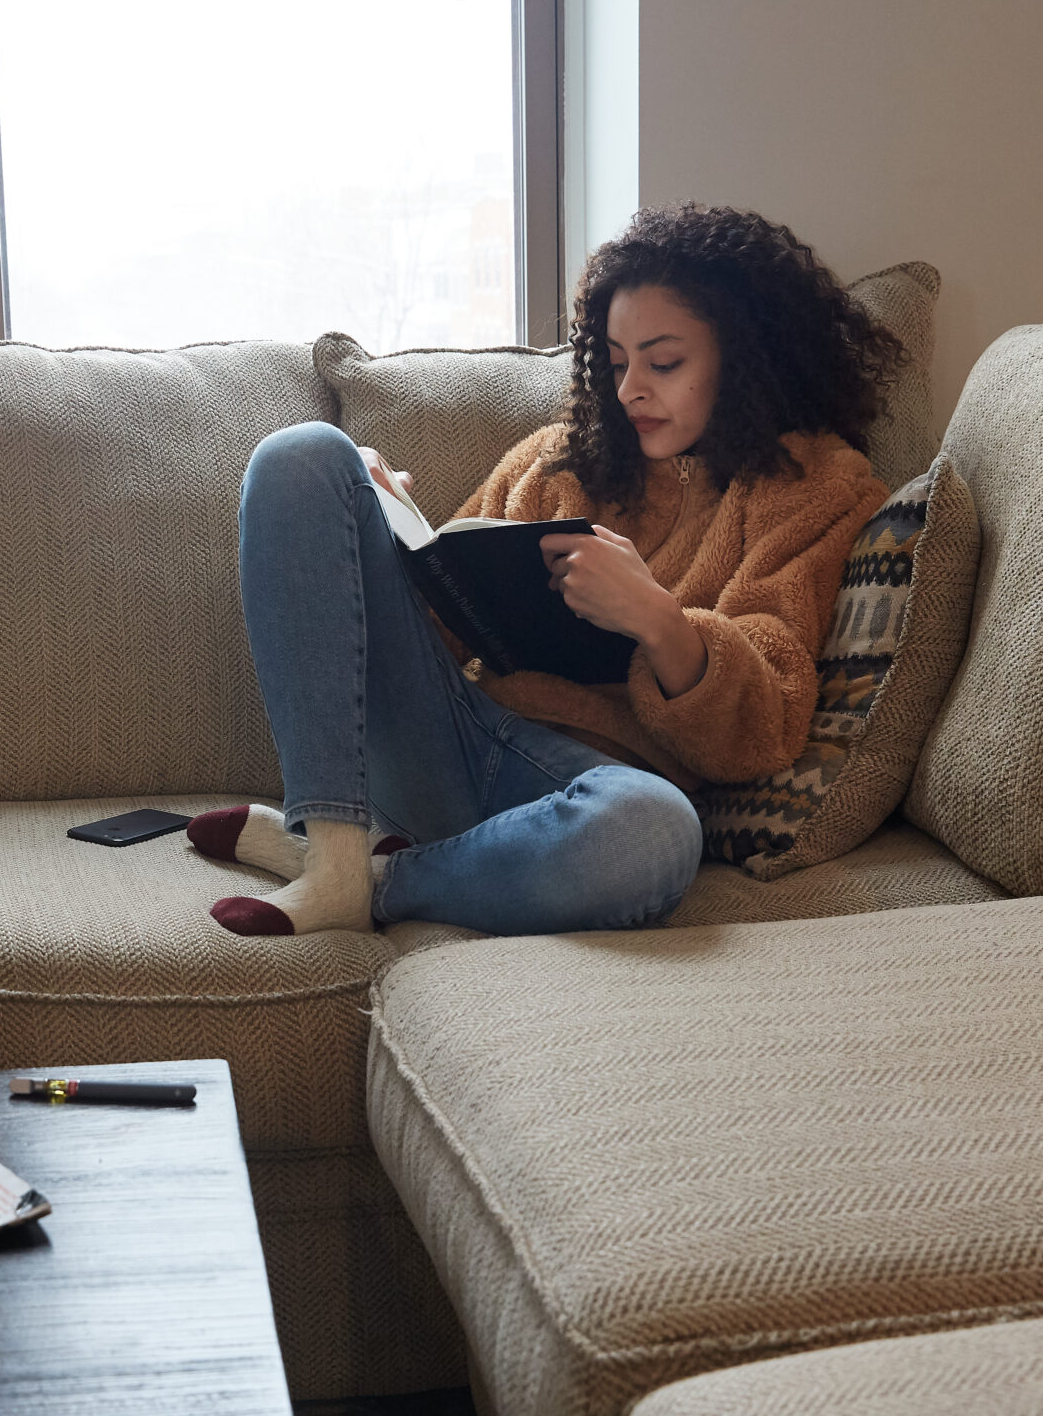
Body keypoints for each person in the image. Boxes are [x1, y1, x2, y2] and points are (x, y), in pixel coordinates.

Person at [192, 202, 902, 937]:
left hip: (595, 798)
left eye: (663, 363)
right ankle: (338, 855)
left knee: (658, 831)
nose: (630, 390)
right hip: (456, 742)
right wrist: (386, 524)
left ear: (748, 355)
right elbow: (428, 634)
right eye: (619, 363)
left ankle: (366, 874)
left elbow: (766, 730)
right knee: (302, 456)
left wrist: (656, 618)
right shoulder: (556, 460)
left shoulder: (816, 489)